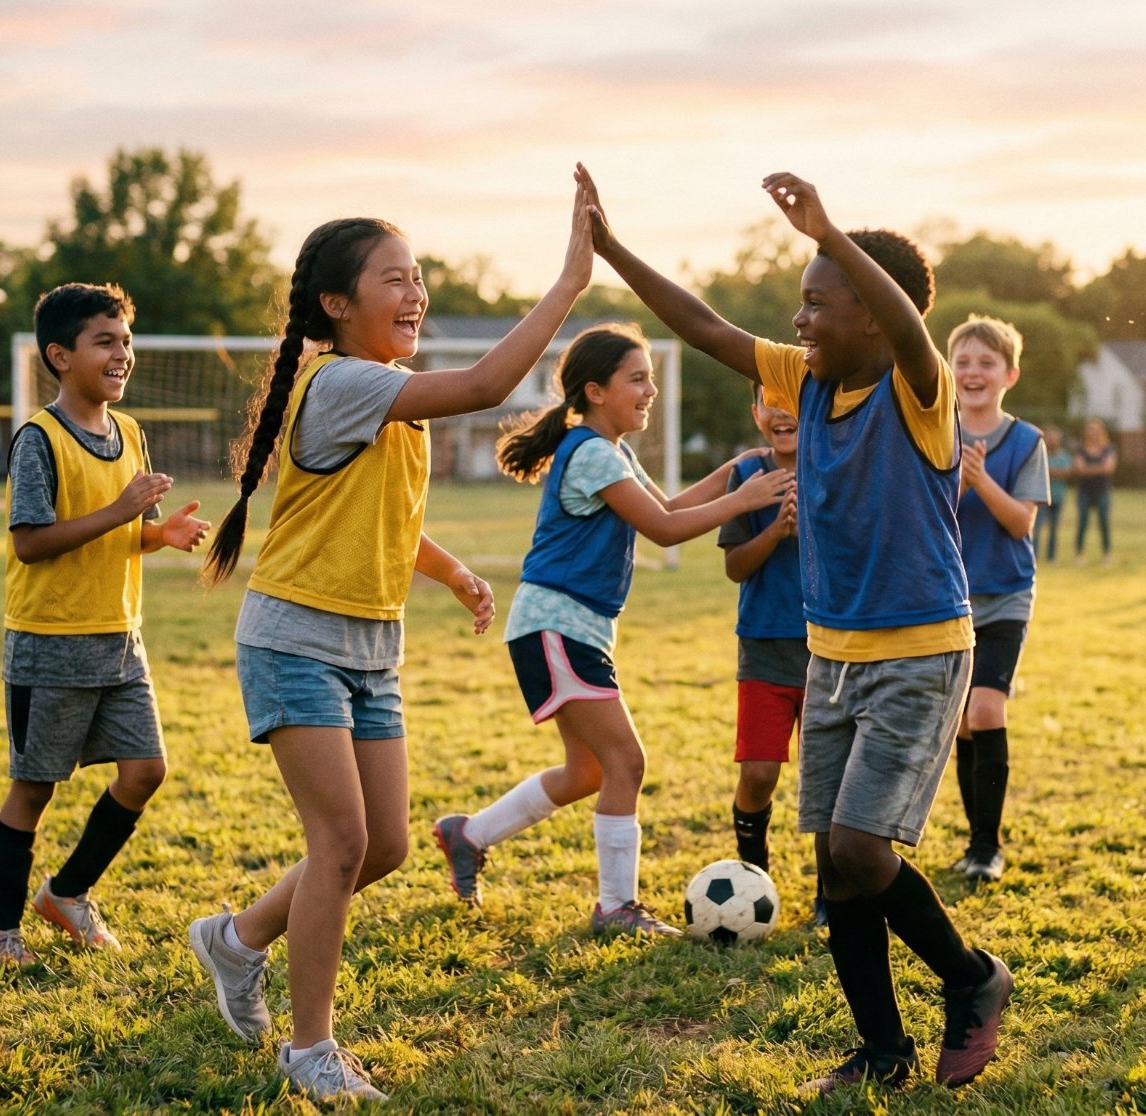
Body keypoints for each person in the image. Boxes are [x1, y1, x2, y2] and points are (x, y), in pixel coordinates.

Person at [585, 165, 1012, 1094]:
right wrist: (615, 252)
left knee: (863, 852)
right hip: (832, 656)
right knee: (832, 863)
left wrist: (830, 233)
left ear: (870, 312)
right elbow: (702, 326)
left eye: (819, 304)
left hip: (921, 651)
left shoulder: (917, 388)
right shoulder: (801, 378)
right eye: (800, 303)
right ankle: (882, 1048)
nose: (801, 321)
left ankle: (974, 980)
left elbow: (912, 328)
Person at [186, 174, 594, 1104]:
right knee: (338, 841)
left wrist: (448, 570)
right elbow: (492, 384)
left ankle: (237, 939)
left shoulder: (385, 398)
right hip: (295, 639)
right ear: (337, 304)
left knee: (386, 847)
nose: (415, 294)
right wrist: (569, 281)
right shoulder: (340, 382)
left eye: (419, 278)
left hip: (373, 647)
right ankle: (310, 1051)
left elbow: (374, 518)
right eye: (393, 280)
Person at [432, 325, 793, 936]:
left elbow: (672, 507)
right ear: (596, 391)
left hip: (572, 630)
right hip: (557, 626)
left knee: (590, 772)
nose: (651, 389)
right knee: (625, 761)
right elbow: (665, 530)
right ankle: (616, 908)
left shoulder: (609, 450)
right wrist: (745, 497)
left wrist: (737, 473)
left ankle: (469, 834)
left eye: (651, 376)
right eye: (638, 378)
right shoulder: (593, 452)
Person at [0, 282, 211, 968]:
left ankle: (68, 894)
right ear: (59, 356)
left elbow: (122, 532)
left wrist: (158, 533)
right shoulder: (39, 439)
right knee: (36, 788)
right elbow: (32, 541)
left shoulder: (129, 432)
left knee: (146, 771)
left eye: (126, 341)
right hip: (49, 647)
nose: (122, 354)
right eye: (104, 341)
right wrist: (123, 512)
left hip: (119, 641)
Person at [946, 315, 1048, 883]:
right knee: (962, 724)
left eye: (986, 362)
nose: (973, 371)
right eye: (963, 361)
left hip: (1006, 596)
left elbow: (1019, 524)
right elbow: (926, 519)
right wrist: (958, 480)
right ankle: (974, 841)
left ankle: (989, 847)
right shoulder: (934, 432)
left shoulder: (1026, 441)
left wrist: (981, 480)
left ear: (1009, 374)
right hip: (949, 600)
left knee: (986, 709)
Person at [714, 386, 811, 914]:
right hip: (764, 646)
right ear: (756, 413)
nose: (781, 410)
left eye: (793, 397)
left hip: (830, 648)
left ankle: (831, 893)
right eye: (769, 400)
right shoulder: (745, 477)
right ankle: (754, 880)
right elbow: (734, 568)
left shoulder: (837, 467)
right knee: (758, 774)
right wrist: (776, 531)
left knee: (827, 779)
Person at [1072, 418, 1117, 561]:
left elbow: (1109, 468)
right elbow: (1079, 469)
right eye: (1090, 431)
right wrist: (1100, 468)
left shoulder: (1109, 449)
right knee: (1082, 522)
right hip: (1084, 492)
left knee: (1104, 522)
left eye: (1095, 431)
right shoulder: (1080, 449)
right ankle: (1079, 554)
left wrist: (1088, 468)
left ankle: (1107, 554)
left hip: (1102, 491)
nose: (1093, 434)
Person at [1034, 425, 1071, 561]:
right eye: (1049, 438)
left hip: (1057, 497)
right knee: (1037, 528)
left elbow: (1067, 472)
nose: (1052, 441)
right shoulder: (1039, 454)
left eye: (1054, 438)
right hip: (1041, 497)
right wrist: (1056, 472)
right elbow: (1037, 471)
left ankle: (1051, 557)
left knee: (1054, 530)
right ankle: (1034, 555)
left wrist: (1049, 471)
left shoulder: (1064, 456)